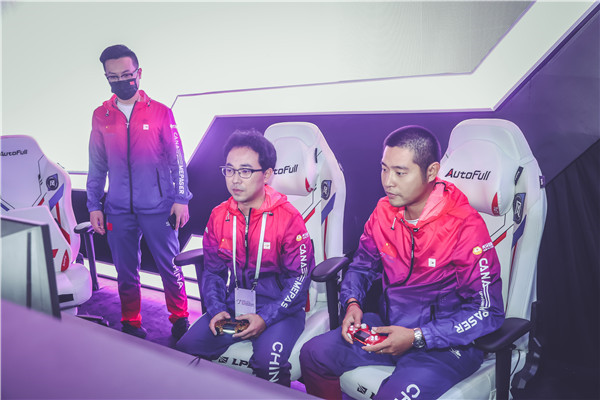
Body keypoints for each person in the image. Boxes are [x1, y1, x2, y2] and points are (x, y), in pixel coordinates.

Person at [300, 125, 505, 399]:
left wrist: (419, 336)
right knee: (313, 355)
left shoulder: (465, 226)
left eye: (400, 172)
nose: (388, 182)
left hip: (444, 344)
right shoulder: (383, 212)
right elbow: (362, 266)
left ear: (431, 172)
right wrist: (352, 303)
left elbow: (488, 311)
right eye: (384, 169)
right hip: (390, 326)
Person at [176, 129, 315, 386]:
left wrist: (266, 317)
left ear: (267, 174)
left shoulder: (289, 218)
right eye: (229, 170)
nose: (235, 180)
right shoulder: (219, 216)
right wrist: (217, 309)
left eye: (246, 171)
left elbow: (300, 278)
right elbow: (214, 271)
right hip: (234, 305)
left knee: (267, 364)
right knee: (183, 351)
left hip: (281, 310)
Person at [86, 44, 192, 339]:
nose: (121, 81)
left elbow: (177, 160)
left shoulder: (160, 112)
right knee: (125, 272)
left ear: (138, 73)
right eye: (113, 77)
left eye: (126, 74)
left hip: (158, 206)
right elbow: (97, 164)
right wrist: (94, 205)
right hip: (118, 209)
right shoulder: (101, 115)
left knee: (170, 266)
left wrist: (181, 199)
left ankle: (180, 318)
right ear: (106, 77)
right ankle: (131, 321)